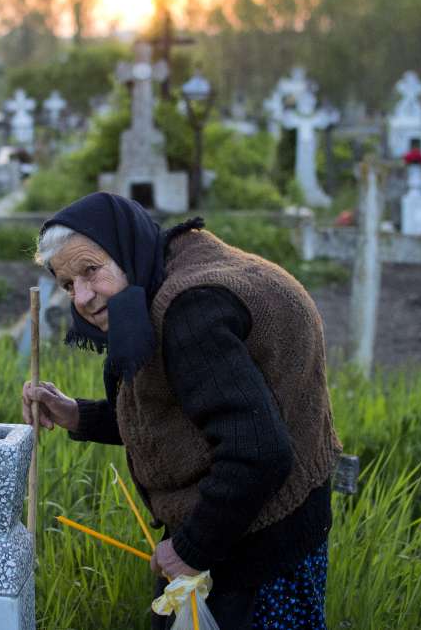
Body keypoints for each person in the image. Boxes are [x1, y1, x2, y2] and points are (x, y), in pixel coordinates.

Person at [22, 192, 341, 629]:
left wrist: (190, 549)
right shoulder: (170, 260)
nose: (82, 297)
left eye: (91, 270)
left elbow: (258, 451)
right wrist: (76, 414)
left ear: (125, 248)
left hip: (260, 534)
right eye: (66, 284)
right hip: (268, 504)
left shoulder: (189, 313)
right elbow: (186, 410)